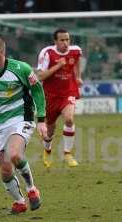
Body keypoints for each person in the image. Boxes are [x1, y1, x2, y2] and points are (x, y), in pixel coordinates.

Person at [0, 35, 47, 214]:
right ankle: (19, 202)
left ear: (0, 52)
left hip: (21, 117)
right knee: (5, 170)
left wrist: (41, 119)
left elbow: (37, 91)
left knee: (14, 154)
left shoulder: (21, 69)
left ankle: (31, 189)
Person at [37, 28, 82, 168]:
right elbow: (40, 76)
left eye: (67, 39)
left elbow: (77, 60)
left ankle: (67, 153)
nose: (65, 43)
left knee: (69, 119)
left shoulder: (75, 51)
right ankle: (47, 150)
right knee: (49, 129)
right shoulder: (47, 53)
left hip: (68, 92)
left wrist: (79, 76)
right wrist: (58, 66)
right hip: (50, 95)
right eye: (62, 40)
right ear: (55, 41)